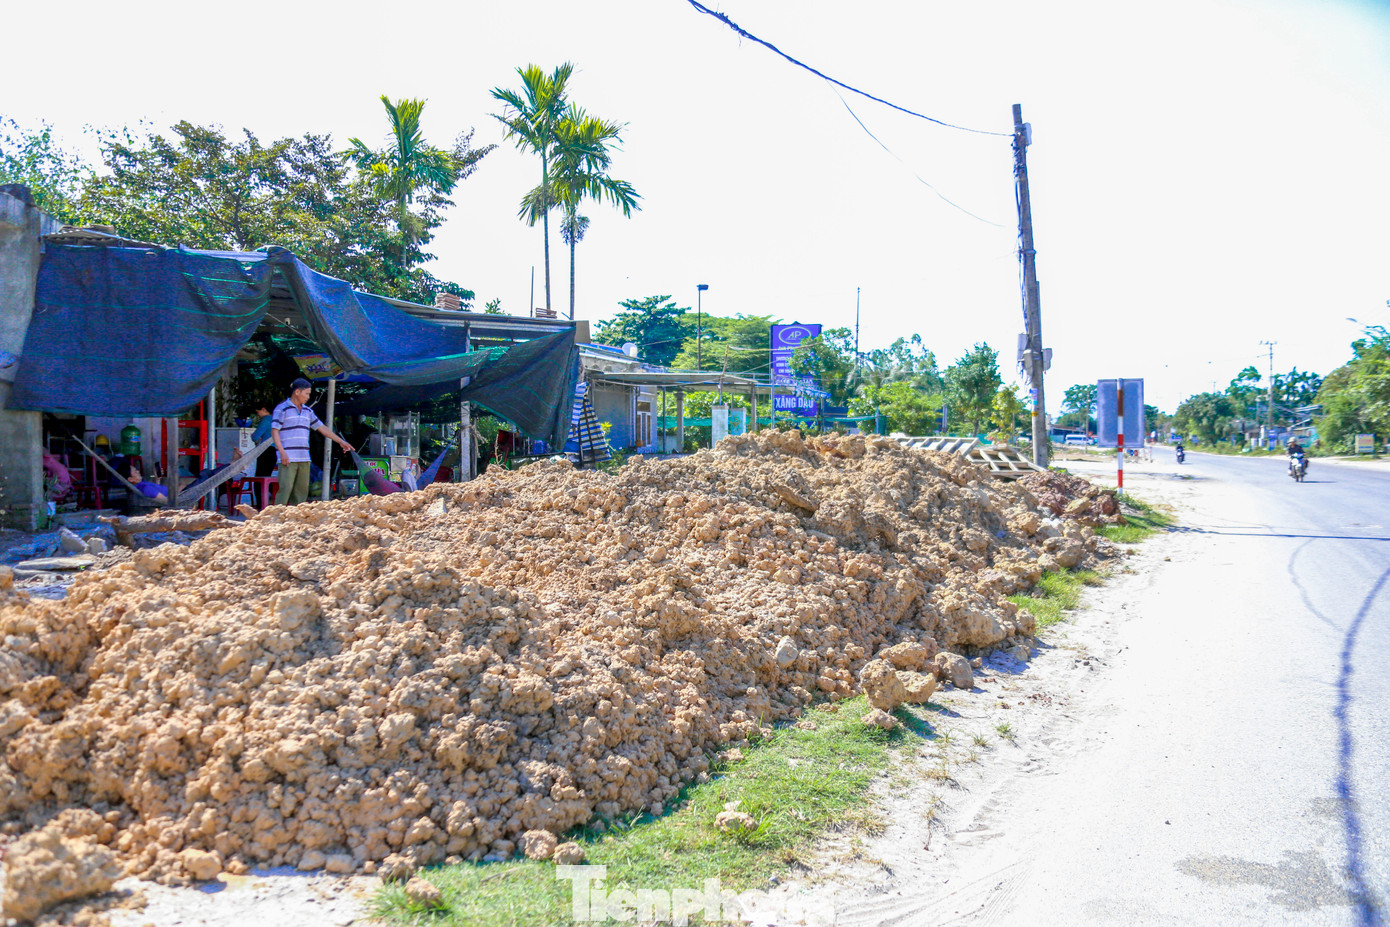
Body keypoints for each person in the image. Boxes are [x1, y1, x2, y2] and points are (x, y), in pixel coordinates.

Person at [271, 378, 352, 506]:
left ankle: (296, 519)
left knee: (301, 492)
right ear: (297, 392)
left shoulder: (308, 411)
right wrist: (282, 453)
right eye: (307, 393)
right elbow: (275, 431)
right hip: (288, 457)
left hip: (304, 457)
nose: (308, 397)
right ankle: (275, 518)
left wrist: (341, 441)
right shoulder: (282, 409)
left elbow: (322, 428)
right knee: (285, 489)